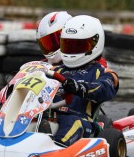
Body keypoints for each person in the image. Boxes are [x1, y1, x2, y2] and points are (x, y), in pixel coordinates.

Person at [51, 15, 119, 147]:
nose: (72, 50)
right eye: (68, 45)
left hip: (81, 121)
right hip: (50, 116)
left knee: (71, 121)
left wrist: (78, 87)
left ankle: (57, 148)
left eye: (78, 45)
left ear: (94, 44)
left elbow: (104, 89)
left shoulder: (101, 72)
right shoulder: (56, 70)